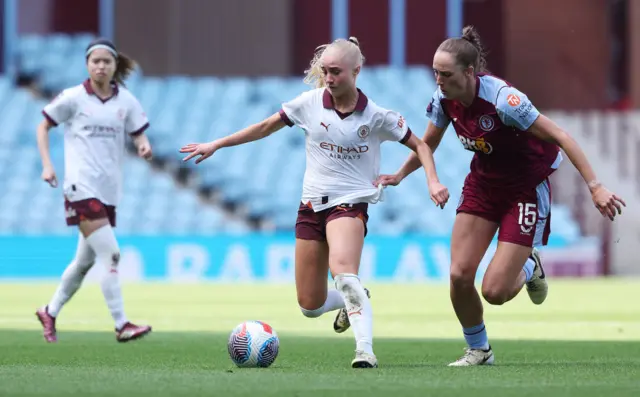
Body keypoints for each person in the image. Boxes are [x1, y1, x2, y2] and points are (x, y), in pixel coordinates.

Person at [180, 37, 450, 368]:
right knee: (309, 305)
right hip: (310, 206)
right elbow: (265, 126)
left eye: (336, 71)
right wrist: (217, 144)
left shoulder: (378, 116)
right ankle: (356, 301)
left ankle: (364, 350)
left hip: (350, 203)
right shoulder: (309, 103)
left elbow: (422, 146)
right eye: (325, 71)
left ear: (356, 71)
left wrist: (430, 180)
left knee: (344, 273)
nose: (329, 78)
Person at [376, 26, 626, 366]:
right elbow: (428, 142)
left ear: (468, 72)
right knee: (459, 275)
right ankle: (479, 350)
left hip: (524, 188)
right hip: (483, 184)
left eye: (445, 74)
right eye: (435, 72)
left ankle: (529, 264)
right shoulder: (443, 100)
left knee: (495, 292)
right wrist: (402, 175)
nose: (438, 80)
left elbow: (562, 136)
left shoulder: (505, 102)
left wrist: (595, 186)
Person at [35, 38, 154, 343]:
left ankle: (50, 310)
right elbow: (43, 125)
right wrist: (48, 165)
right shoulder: (73, 98)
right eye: (95, 61)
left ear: (115, 66)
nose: (100, 66)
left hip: (109, 191)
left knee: (84, 262)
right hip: (80, 187)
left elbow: (139, 133)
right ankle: (121, 324)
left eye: (106, 62)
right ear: (87, 65)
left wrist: (143, 146)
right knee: (112, 255)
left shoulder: (125, 101)